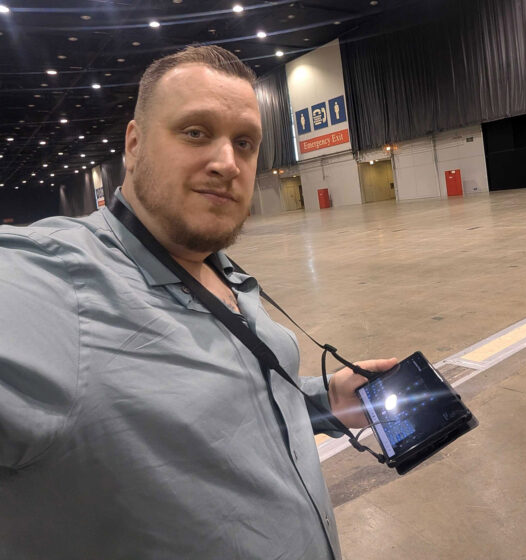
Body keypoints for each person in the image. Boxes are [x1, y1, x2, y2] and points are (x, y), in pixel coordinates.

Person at [0, 45, 396, 559]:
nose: (227, 163)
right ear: (135, 143)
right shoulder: (52, 277)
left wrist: (323, 399)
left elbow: (208, 406)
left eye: (246, 143)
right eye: (195, 133)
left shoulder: (217, 267)